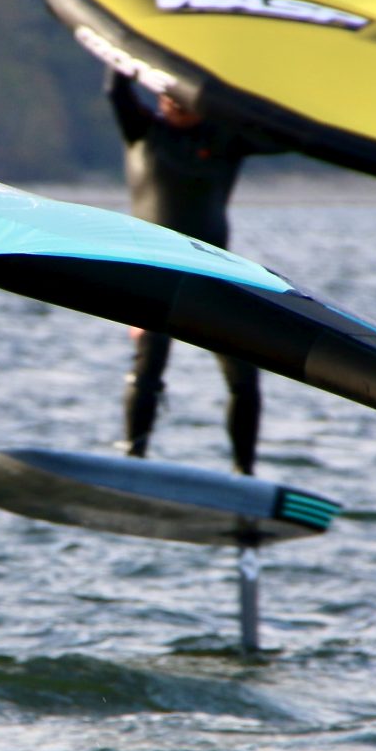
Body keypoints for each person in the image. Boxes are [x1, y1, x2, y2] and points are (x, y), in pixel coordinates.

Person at [106, 71, 277, 476]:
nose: (174, 102)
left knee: (244, 376)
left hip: (211, 272)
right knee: (147, 369)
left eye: (183, 96)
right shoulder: (143, 129)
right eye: (167, 95)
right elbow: (116, 86)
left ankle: (244, 472)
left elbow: (281, 134)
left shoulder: (224, 138)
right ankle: (133, 458)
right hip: (153, 272)